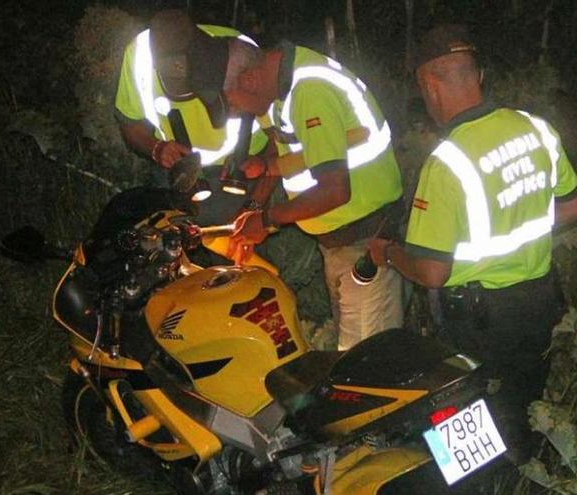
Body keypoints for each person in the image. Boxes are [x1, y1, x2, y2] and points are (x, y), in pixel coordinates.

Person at [367, 25, 577, 466]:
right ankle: (525, 469)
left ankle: (474, 480)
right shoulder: (535, 128)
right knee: (524, 401)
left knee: (467, 417)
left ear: (429, 83)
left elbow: (432, 272)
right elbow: (575, 207)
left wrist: (387, 254)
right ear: (477, 74)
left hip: (479, 320)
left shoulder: (448, 161)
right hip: (540, 300)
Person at [183, 36, 406, 350]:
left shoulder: (310, 91)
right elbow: (296, 144)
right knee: (350, 356)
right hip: (338, 245)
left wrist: (268, 220)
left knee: (369, 366)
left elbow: (334, 190)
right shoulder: (276, 88)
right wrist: (263, 173)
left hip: (366, 243)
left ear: (248, 80)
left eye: (232, 104)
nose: (236, 114)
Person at [114, 10, 268, 225]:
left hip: (241, 168)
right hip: (179, 170)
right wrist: (156, 148)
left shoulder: (240, 52)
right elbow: (129, 121)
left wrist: (256, 205)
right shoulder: (139, 55)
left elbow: (282, 134)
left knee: (236, 238)